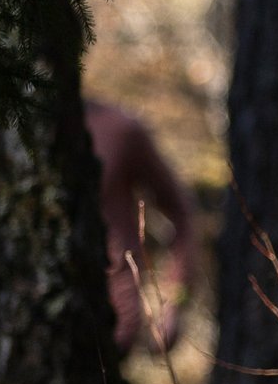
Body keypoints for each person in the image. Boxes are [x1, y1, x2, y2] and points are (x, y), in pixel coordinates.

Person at [85, 99, 198, 355]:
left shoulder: (119, 130)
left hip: (112, 329)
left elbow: (181, 211)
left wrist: (175, 301)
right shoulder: (1, 131)